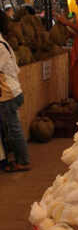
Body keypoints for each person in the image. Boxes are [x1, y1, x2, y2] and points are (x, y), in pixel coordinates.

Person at [0, 10, 30, 172]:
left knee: (14, 129)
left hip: (9, 94)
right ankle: (20, 159)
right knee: (12, 128)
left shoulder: (0, 46)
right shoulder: (3, 43)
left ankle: (24, 161)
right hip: (12, 91)